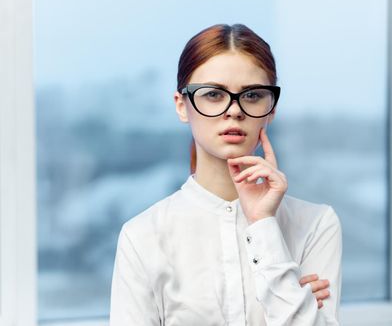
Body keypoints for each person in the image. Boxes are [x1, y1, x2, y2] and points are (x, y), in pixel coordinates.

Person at [109, 23, 342, 325]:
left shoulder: (316, 225)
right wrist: (294, 300)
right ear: (182, 106)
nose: (234, 110)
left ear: (272, 109)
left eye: (253, 95)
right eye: (214, 95)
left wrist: (263, 225)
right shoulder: (142, 236)